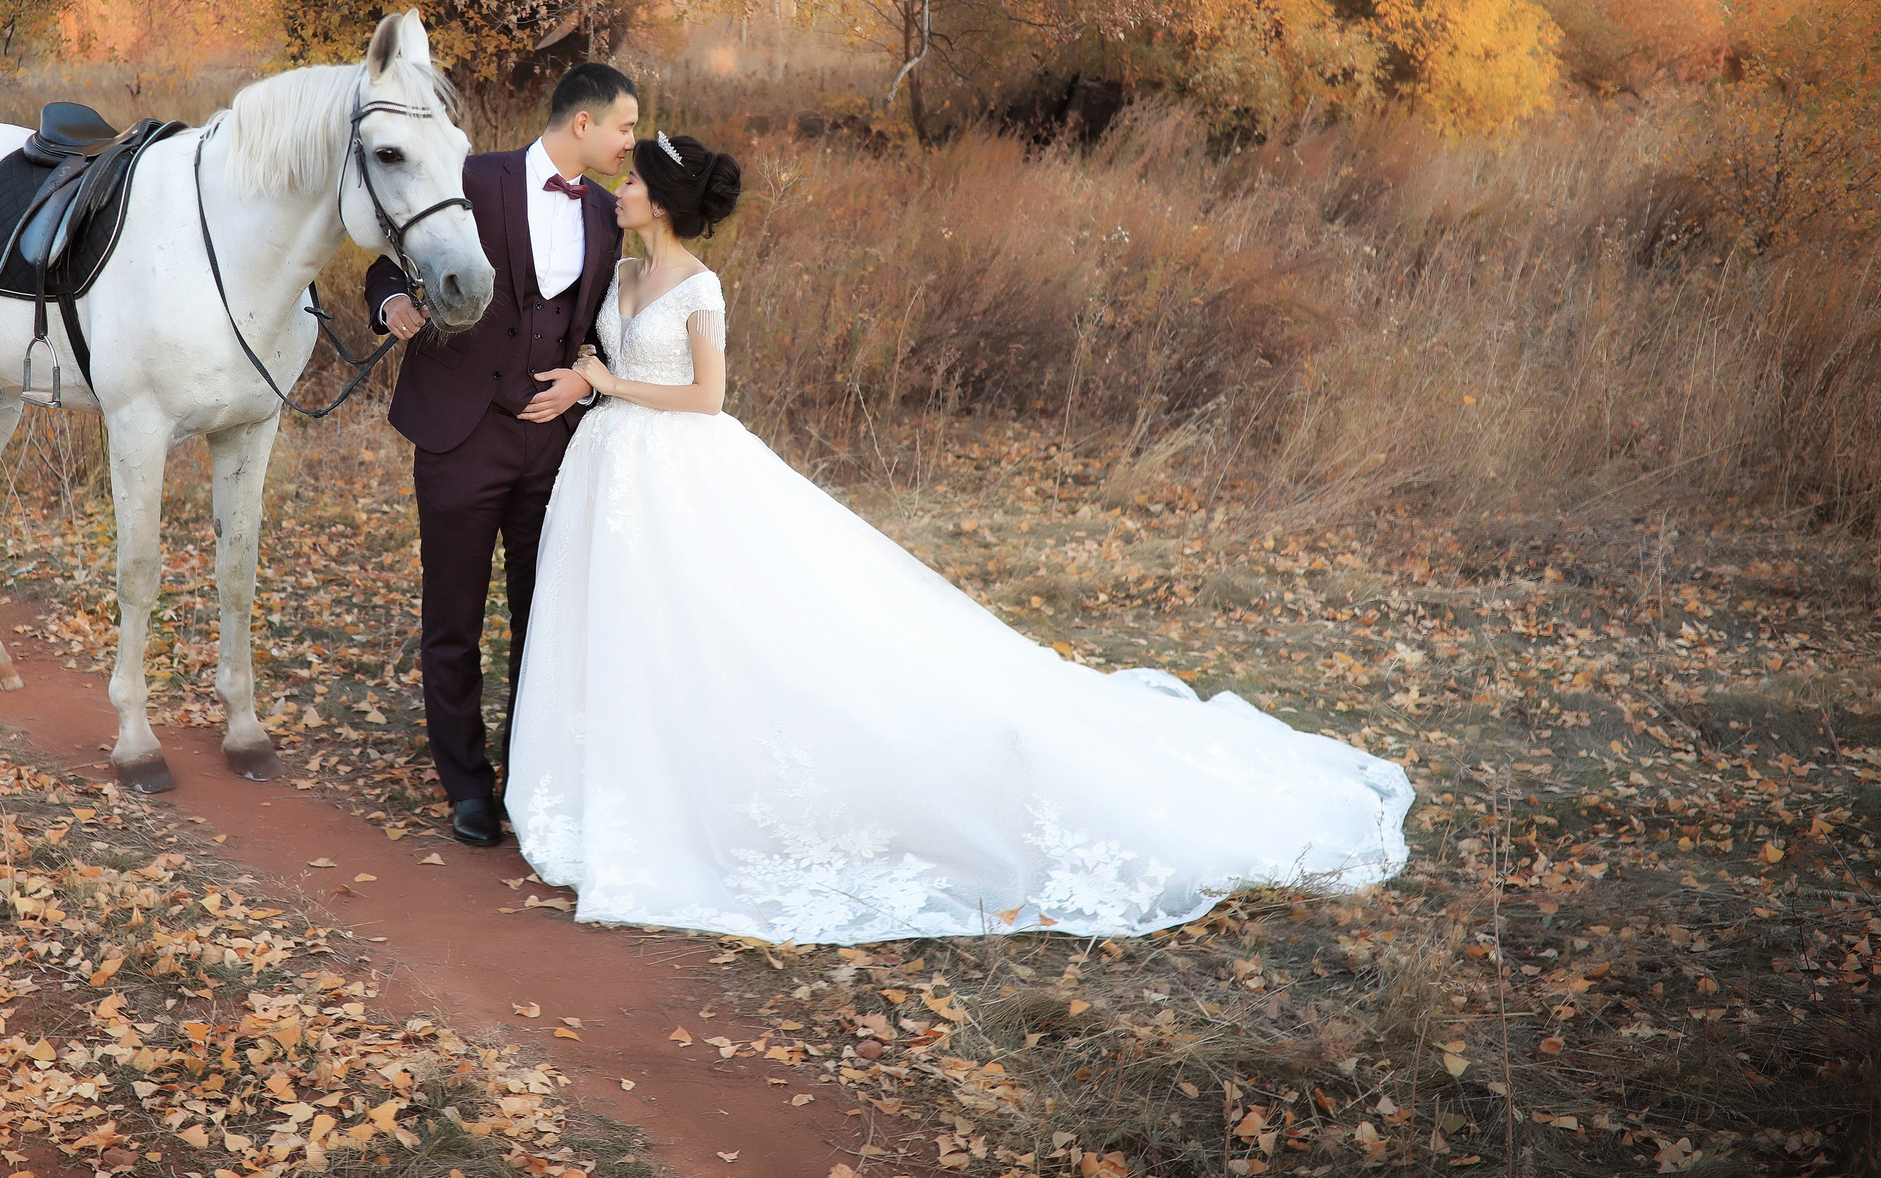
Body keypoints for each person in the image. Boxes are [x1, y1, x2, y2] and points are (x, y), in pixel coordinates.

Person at [506, 132, 1414, 942]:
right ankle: (622, 780)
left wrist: (611, 384)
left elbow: (708, 398)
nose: (615, 190)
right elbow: (597, 353)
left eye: (630, 181)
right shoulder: (620, 274)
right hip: (613, 472)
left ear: (660, 200)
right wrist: (590, 379)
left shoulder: (700, 288)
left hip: (682, 469)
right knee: (636, 627)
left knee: (731, 621)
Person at [365, 63, 639, 848]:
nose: (631, 141)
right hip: (459, 431)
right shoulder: (472, 177)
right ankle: (466, 784)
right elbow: (390, 259)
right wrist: (391, 304)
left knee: (539, 617)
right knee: (452, 616)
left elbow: (612, 334)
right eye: (624, 125)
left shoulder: (610, 215)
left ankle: (529, 774)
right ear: (582, 124)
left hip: (553, 444)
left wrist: (582, 388)